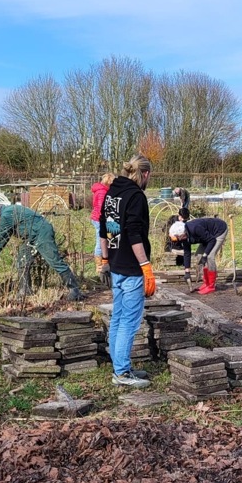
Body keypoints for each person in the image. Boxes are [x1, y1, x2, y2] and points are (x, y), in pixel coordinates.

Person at [101, 154, 157, 388]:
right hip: (132, 267)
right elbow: (134, 234)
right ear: (144, 174)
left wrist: (104, 259)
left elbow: (104, 230)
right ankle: (122, 373)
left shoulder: (112, 193)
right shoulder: (136, 197)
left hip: (115, 264)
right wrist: (145, 266)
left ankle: (119, 365)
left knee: (118, 318)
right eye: (149, 176)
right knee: (129, 322)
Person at [0, 204, 84, 301]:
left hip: (41, 233)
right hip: (31, 238)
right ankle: (25, 291)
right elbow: (4, 238)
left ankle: (74, 290)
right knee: (22, 262)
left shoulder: (7, 214)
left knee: (54, 261)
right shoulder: (9, 212)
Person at [168, 216, 229, 295]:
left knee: (209, 256)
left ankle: (211, 286)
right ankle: (206, 283)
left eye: (177, 238)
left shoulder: (195, 228)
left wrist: (205, 254)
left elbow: (212, 240)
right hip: (207, 236)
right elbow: (187, 253)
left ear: (181, 234)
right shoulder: (184, 237)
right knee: (199, 255)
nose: (177, 240)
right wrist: (187, 271)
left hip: (219, 231)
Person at [91, 173, 115, 278]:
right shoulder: (102, 192)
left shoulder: (101, 190)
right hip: (99, 219)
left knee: (105, 240)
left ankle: (104, 262)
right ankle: (99, 266)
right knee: (100, 241)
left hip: (98, 218)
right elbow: (102, 208)